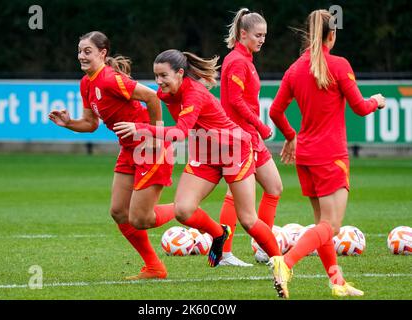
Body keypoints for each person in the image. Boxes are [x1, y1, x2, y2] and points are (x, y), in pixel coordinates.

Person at [113, 49, 281, 269]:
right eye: (156, 76)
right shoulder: (165, 94)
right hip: (205, 154)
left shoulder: (194, 93)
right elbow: (146, 101)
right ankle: (219, 234)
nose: (159, 82)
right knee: (183, 210)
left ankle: (281, 262)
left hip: (234, 151)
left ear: (180, 73)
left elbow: (181, 132)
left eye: (164, 76)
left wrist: (141, 128)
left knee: (248, 220)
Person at [268, 10, 386, 298]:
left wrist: (291, 137)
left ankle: (337, 282)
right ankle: (287, 262)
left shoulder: (294, 69)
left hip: (306, 157)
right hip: (331, 156)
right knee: (330, 226)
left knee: (323, 225)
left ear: (310, 35)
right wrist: (376, 101)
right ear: (331, 36)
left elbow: (275, 111)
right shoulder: (338, 64)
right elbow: (359, 107)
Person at [48, 31, 176, 280]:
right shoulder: (86, 83)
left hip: (149, 147)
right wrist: (68, 123)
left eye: (88, 51)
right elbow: (90, 123)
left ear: (102, 54)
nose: (81, 56)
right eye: (79, 51)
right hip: (129, 149)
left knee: (140, 218)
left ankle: (184, 208)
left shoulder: (110, 79)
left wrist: (155, 134)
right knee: (118, 211)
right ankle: (154, 267)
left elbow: (152, 96)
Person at [218, 8, 283, 267]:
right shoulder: (236, 61)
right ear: (243, 34)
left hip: (249, 136)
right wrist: (260, 125)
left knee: (274, 187)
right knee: (234, 195)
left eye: (265, 35)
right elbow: (234, 100)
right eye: (258, 35)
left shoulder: (245, 60)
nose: (262, 40)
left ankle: (262, 248)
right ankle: (222, 254)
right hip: (238, 136)